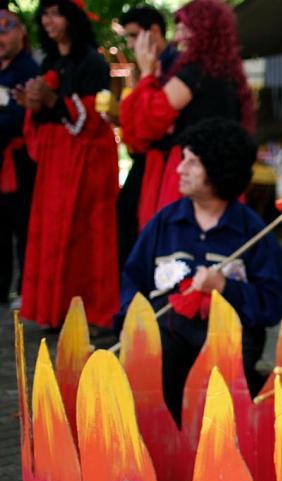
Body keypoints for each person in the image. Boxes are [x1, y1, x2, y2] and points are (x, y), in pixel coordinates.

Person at [116, 118, 282, 425]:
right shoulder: (164, 223)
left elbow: (274, 300)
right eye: (183, 159)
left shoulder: (250, 231)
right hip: (169, 337)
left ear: (218, 168)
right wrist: (134, 327)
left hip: (228, 343)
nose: (179, 169)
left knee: (222, 384)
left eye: (192, 162)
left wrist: (226, 287)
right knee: (155, 358)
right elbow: (132, 282)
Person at [15, 0, 119, 329]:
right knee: (52, 232)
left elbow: (96, 117)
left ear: (71, 18)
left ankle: (88, 311)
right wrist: (32, 103)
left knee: (85, 236)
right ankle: (54, 309)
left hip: (87, 163)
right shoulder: (52, 61)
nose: (48, 20)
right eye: (44, 14)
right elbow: (49, 112)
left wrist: (51, 101)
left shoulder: (92, 61)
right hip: (57, 164)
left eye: (56, 13)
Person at [120, 0, 253, 229]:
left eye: (184, 29)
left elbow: (149, 120)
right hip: (220, 175)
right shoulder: (227, 75)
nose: (178, 37)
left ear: (204, 31)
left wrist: (146, 74)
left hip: (194, 174)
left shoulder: (194, 74)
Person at [116, 5, 178, 272]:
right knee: (127, 226)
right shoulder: (150, 65)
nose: (130, 44)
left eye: (133, 35)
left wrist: (146, 74)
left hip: (166, 164)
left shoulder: (177, 66)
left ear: (154, 31)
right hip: (145, 161)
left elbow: (149, 124)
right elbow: (134, 131)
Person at [0, 8, 39, 307]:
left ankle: (28, 290)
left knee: (24, 225)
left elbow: (19, 118)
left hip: (22, 159)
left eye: (5, 30)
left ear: (19, 33)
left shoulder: (28, 69)